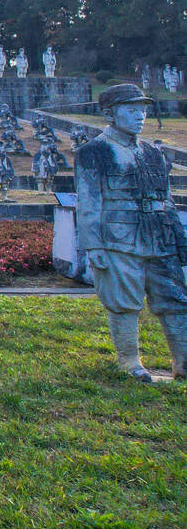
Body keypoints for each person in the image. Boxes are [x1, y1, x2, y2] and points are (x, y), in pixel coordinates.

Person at [76, 83, 187, 381]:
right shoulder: (94, 152)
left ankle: (183, 362)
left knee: (176, 299)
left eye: (143, 110)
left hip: (160, 238)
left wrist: (179, 238)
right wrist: (93, 246)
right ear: (111, 114)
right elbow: (88, 202)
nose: (140, 116)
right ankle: (129, 361)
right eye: (132, 110)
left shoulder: (152, 152)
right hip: (119, 239)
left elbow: (166, 199)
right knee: (123, 301)